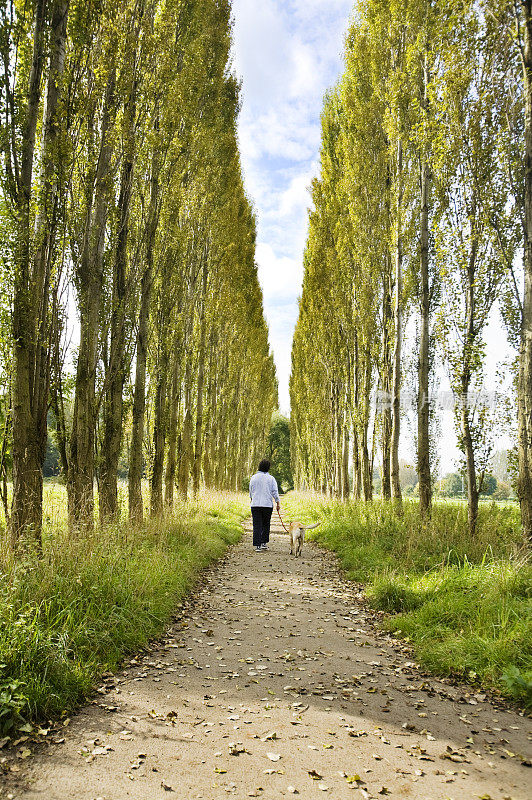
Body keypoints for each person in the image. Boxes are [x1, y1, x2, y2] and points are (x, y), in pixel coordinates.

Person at [249, 459, 280, 552]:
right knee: (266, 524)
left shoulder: (253, 477)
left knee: (257, 525)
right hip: (267, 505)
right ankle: (263, 543)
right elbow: (275, 491)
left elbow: (251, 491)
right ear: (268, 468)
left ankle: (257, 546)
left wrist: (252, 499)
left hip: (255, 505)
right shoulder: (271, 478)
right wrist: (277, 502)